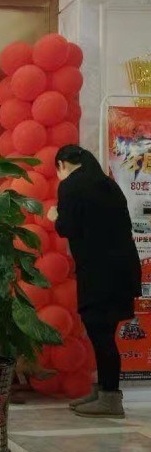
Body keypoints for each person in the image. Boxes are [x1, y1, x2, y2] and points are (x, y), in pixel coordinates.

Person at [47, 144, 141, 418]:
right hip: (122, 268)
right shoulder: (107, 183)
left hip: (99, 271)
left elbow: (68, 227)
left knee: (100, 334)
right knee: (105, 331)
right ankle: (103, 391)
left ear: (62, 165)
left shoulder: (71, 186)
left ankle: (110, 398)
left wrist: (55, 217)